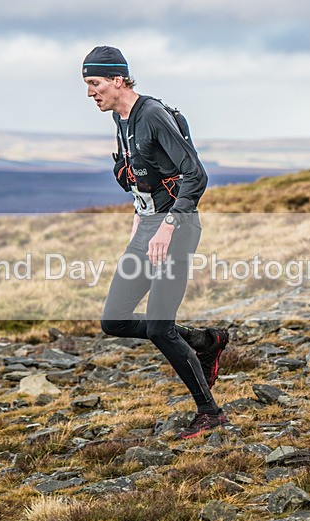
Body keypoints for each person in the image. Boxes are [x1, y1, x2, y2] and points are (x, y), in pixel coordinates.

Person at [83, 45, 230, 439]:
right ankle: (206, 341)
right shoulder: (121, 118)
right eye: (86, 85)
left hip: (176, 231)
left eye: (95, 83)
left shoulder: (153, 116)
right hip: (148, 229)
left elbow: (194, 175)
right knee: (114, 319)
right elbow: (141, 177)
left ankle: (209, 412)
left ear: (118, 79)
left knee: (159, 328)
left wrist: (167, 226)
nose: (90, 92)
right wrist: (139, 221)